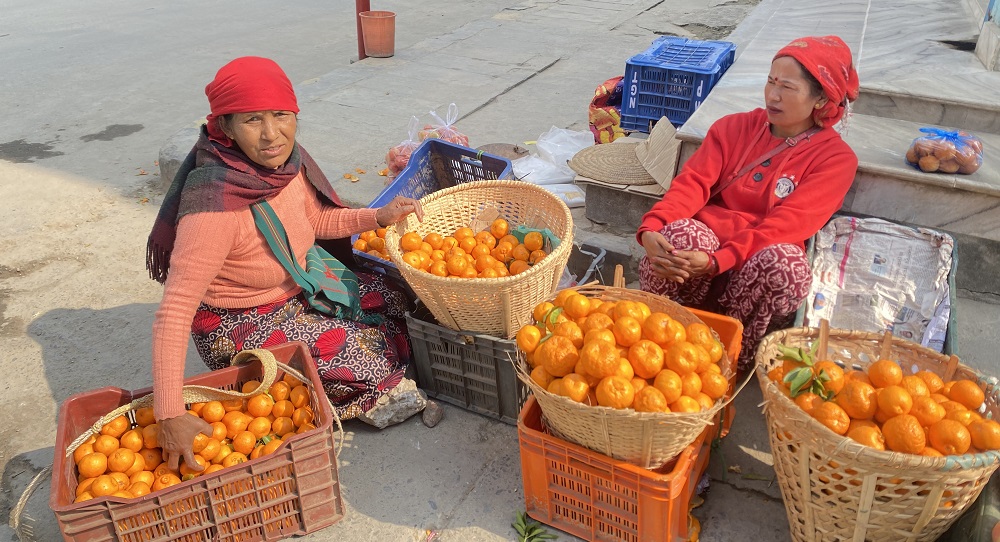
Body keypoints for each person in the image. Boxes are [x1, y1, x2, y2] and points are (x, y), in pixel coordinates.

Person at [146, 56, 424, 472]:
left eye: (281, 115)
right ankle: (324, 396)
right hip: (238, 320)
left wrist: (375, 216)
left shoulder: (284, 165)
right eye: (252, 120)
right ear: (225, 128)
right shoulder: (213, 210)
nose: (272, 134)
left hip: (295, 284)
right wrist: (168, 413)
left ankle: (328, 366)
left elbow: (315, 221)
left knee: (397, 296)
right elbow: (173, 314)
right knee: (372, 355)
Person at [637, 36, 860, 374]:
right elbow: (692, 184)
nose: (773, 94)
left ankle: (731, 359)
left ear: (820, 99)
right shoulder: (733, 127)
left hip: (750, 277)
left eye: (787, 87)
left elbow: (787, 225)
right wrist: (651, 228)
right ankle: (657, 343)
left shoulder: (835, 160)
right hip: (696, 260)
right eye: (771, 81)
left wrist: (718, 261)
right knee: (679, 234)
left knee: (786, 266)